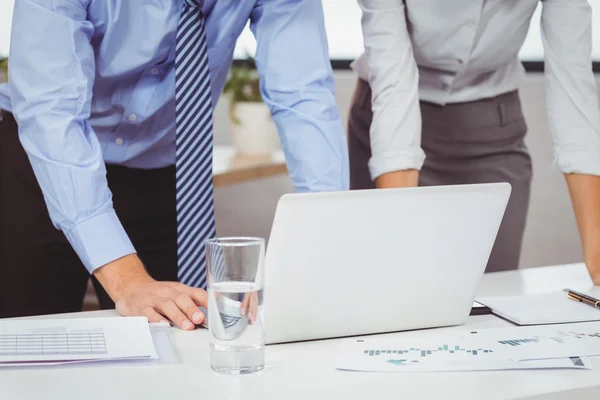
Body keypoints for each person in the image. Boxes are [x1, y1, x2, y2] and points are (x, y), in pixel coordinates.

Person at [0, 0, 349, 327]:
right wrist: (127, 281)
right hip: (39, 167)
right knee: (26, 348)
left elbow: (304, 96)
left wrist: (327, 233)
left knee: (181, 343)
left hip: (166, 173)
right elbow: (52, 115)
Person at [349, 0, 600, 280]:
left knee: (490, 294)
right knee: (389, 284)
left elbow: (573, 84)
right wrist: (394, 241)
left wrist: (596, 248)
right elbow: (393, 84)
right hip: (389, 125)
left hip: (492, 131)